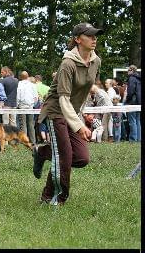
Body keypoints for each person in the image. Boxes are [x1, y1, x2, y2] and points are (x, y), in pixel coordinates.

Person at [32, 22, 103, 205]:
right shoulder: (68, 63)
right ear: (78, 39)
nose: (94, 39)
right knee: (64, 157)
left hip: (72, 113)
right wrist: (79, 126)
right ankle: (54, 198)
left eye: (95, 35)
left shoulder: (96, 61)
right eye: (90, 35)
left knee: (81, 158)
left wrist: (83, 115)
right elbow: (63, 99)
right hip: (56, 111)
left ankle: (42, 152)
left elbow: (84, 90)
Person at [16, 71, 38, 144]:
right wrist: (32, 105)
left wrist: (17, 105)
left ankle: (24, 141)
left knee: (23, 124)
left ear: (21, 77)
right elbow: (36, 97)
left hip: (22, 106)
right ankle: (33, 141)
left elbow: (18, 97)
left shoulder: (19, 84)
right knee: (31, 124)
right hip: (30, 107)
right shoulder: (32, 85)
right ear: (28, 76)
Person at [125, 65, 141, 142]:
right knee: (137, 121)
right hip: (139, 102)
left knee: (132, 121)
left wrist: (127, 100)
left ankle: (133, 139)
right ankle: (138, 138)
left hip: (132, 102)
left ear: (131, 70)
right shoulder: (139, 79)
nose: (127, 72)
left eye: (128, 70)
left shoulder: (131, 79)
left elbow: (130, 91)